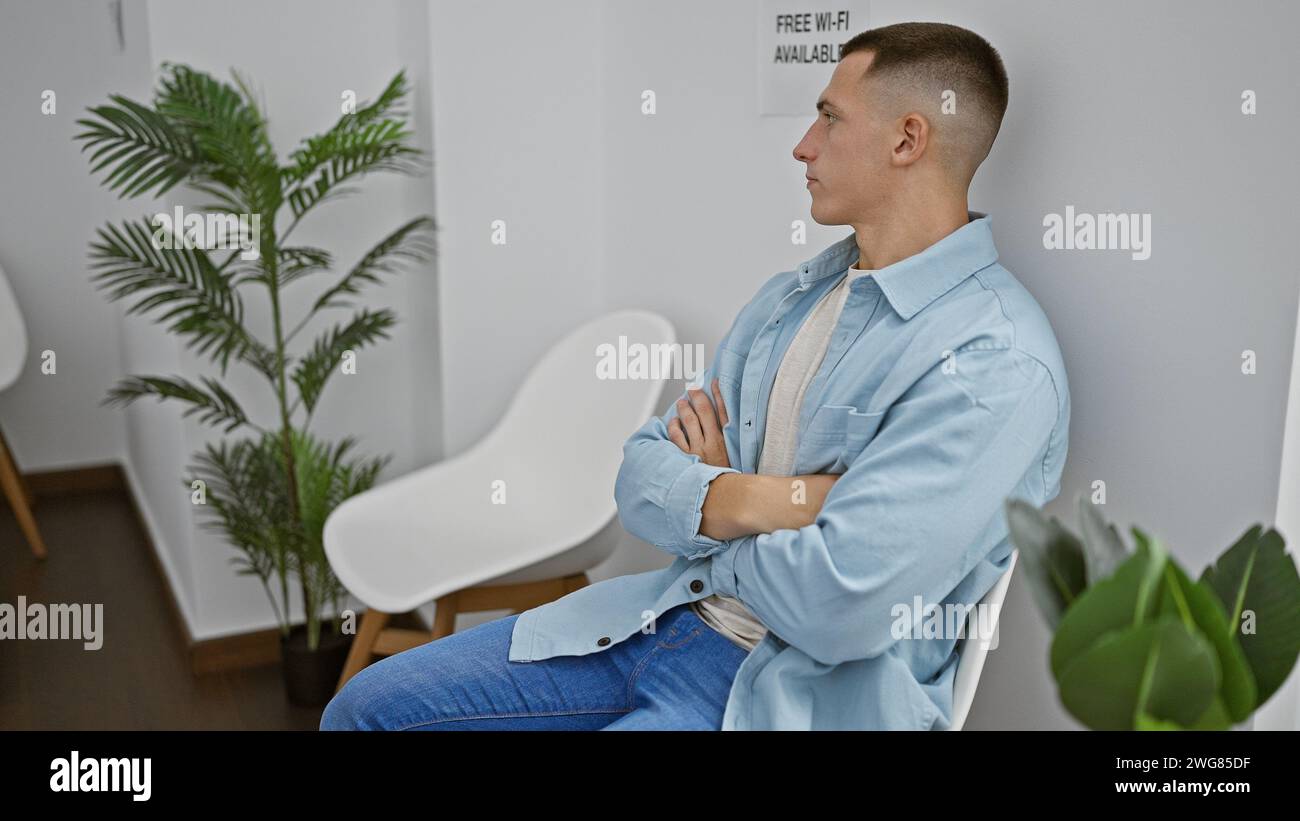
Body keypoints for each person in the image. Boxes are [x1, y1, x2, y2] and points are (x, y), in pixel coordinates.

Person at [321, 21, 1070, 731]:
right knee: (364, 709)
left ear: (909, 138)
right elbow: (640, 477)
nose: (804, 147)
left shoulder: (996, 365)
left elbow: (839, 607)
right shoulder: (792, 297)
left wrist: (711, 510)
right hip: (663, 615)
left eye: (830, 119)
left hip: (788, 690)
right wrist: (769, 501)